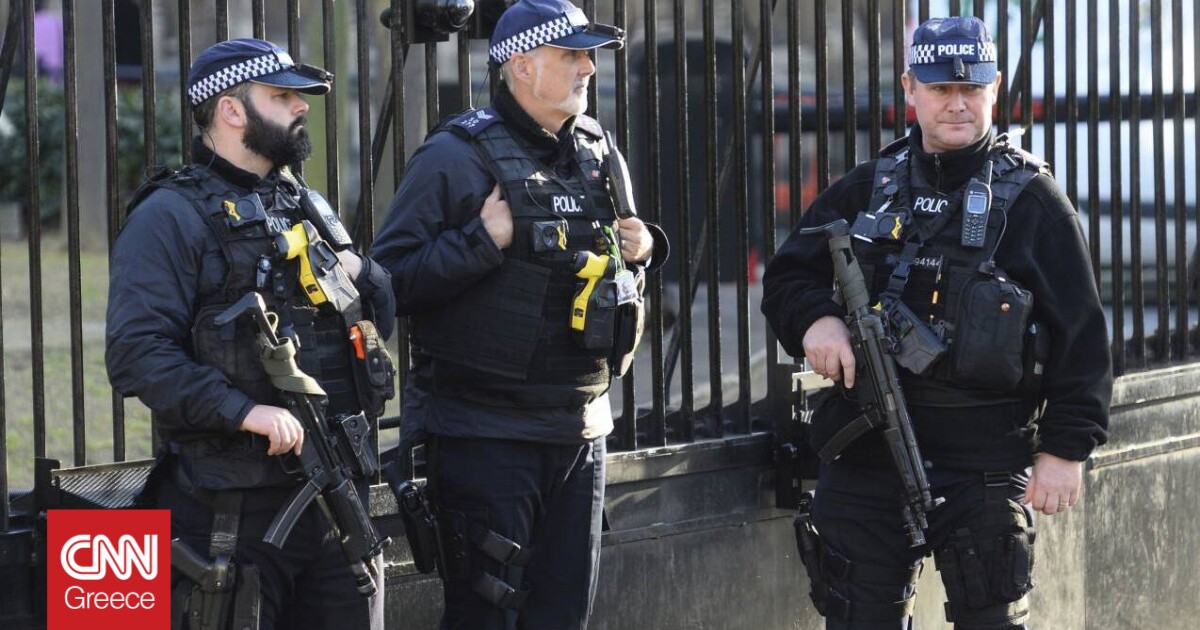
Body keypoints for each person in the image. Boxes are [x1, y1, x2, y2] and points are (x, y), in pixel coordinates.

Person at [761, 16, 1111, 630]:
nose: (957, 104)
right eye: (941, 89)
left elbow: (1083, 339)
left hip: (983, 467)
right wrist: (818, 322)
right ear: (910, 89)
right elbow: (788, 276)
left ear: (993, 88)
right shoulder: (870, 186)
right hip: (867, 456)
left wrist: (1065, 449)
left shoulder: (1033, 201)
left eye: (971, 89)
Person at [370, 1, 667, 627]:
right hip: (486, 437)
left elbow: (613, 270)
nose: (589, 68)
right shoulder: (454, 155)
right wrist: (482, 240)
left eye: (589, 55)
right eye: (572, 55)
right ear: (523, 66)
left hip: (580, 431)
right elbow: (386, 282)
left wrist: (643, 249)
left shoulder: (597, 149)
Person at [106, 38, 395, 630]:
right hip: (231, 514)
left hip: (336, 501)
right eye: (282, 96)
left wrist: (366, 275)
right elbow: (136, 354)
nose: (301, 106)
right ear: (231, 110)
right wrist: (243, 412)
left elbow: (372, 321)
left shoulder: (303, 202)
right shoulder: (169, 216)